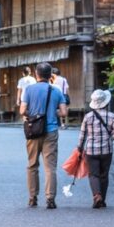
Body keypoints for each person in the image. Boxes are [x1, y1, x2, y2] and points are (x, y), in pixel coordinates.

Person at [19, 62, 68, 209]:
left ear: (36, 74)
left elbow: (22, 111)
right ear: (50, 76)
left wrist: (33, 115)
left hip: (33, 131)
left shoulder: (29, 89)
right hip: (51, 131)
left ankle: (33, 198)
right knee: (50, 167)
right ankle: (50, 198)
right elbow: (64, 112)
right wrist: (52, 112)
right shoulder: (57, 90)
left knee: (32, 165)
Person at [78, 89, 114, 208]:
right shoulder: (112, 116)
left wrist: (79, 148)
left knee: (93, 174)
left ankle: (97, 195)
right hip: (106, 150)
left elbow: (82, 135)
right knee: (104, 175)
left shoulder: (87, 117)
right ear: (106, 103)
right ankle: (102, 200)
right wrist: (111, 138)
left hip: (91, 151)